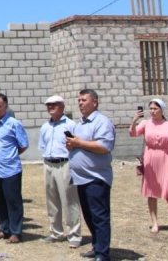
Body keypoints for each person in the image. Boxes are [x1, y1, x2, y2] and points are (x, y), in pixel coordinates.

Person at [67, 89, 115, 261]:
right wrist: (72, 145)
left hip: (96, 177)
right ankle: (96, 246)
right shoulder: (79, 123)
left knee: (99, 216)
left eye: (84, 100)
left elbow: (104, 146)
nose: (80, 103)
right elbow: (81, 145)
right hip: (81, 177)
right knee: (88, 215)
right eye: (78, 100)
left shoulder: (101, 122)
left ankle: (103, 253)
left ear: (94, 102)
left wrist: (79, 143)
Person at [129, 98, 168, 234]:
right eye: (150, 108)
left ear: (162, 110)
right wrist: (135, 121)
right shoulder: (146, 123)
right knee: (151, 193)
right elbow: (133, 134)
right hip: (150, 159)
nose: (152, 111)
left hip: (166, 159)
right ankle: (155, 223)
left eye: (155, 108)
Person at [38, 95, 82, 248]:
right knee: (52, 200)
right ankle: (56, 232)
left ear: (62, 106)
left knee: (69, 200)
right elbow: (42, 145)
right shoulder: (45, 126)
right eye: (48, 105)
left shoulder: (70, 125)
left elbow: (76, 145)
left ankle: (74, 234)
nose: (51, 107)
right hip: (48, 163)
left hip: (65, 164)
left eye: (54, 104)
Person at [0, 94, 28, 244]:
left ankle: (16, 232)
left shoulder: (13, 123)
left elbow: (23, 145)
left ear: (6, 107)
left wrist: (9, 156)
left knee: (13, 201)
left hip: (10, 170)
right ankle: (4, 228)